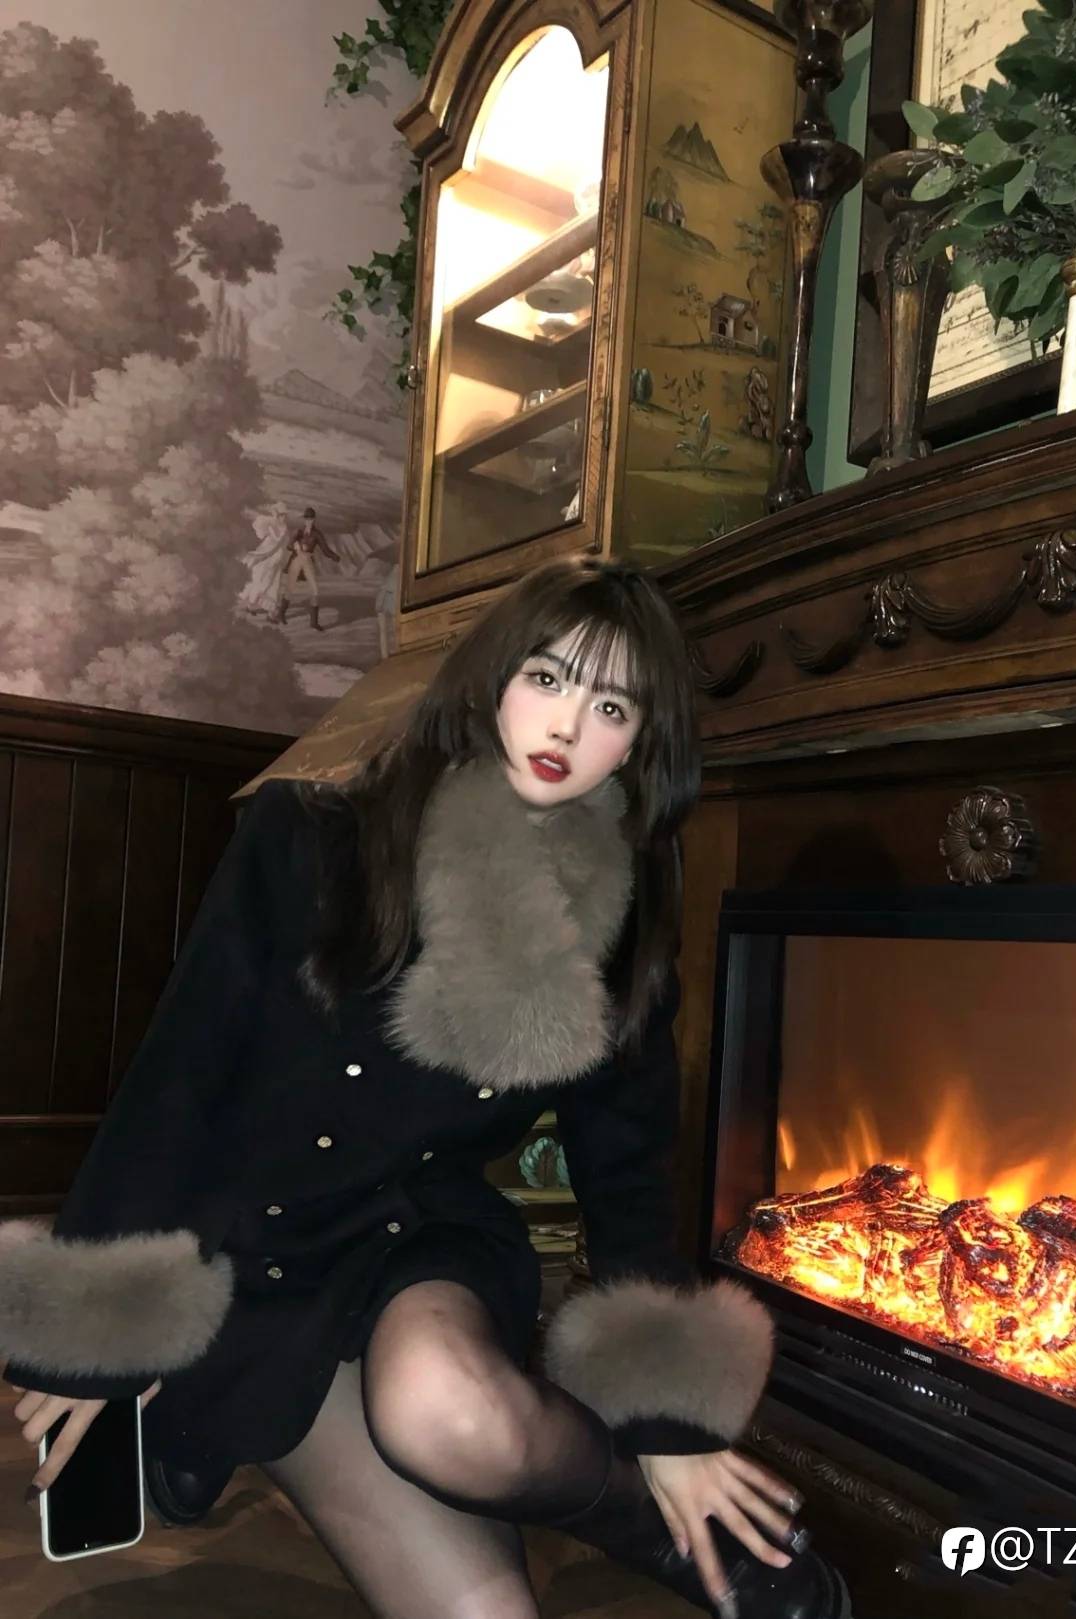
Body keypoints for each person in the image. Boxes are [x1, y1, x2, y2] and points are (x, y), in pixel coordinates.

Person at [0, 559, 852, 1619]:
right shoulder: (315, 832)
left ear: (640, 743)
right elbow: (180, 1077)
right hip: (257, 1264)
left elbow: (626, 1170)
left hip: (416, 1240)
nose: (567, 725)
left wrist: (671, 1428)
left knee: (449, 1410)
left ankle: (676, 1531)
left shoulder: (617, 919)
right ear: (493, 676)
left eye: (612, 706)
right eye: (547, 677)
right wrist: (99, 1328)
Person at [276, 505, 340, 630]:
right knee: (290, 588)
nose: (308, 521)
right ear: (304, 519)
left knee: (315, 590)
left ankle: (314, 622)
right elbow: (289, 546)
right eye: (306, 519)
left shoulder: (317, 534)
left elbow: (325, 549)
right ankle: (281, 614)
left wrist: (334, 556)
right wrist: (296, 546)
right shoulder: (299, 532)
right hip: (296, 560)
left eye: (310, 519)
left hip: (307, 561)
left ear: (314, 519)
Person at [240, 500, 292, 616]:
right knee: (260, 578)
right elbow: (260, 523)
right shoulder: (272, 523)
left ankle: (267, 608)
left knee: (270, 582)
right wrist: (262, 555)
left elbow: (281, 545)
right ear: (276, 514)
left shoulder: (284, 528)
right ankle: (252, 604)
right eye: (280, 515)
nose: (282, 517)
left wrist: (271, 555)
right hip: (267, 555)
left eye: (284, 515)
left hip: (275, 557)